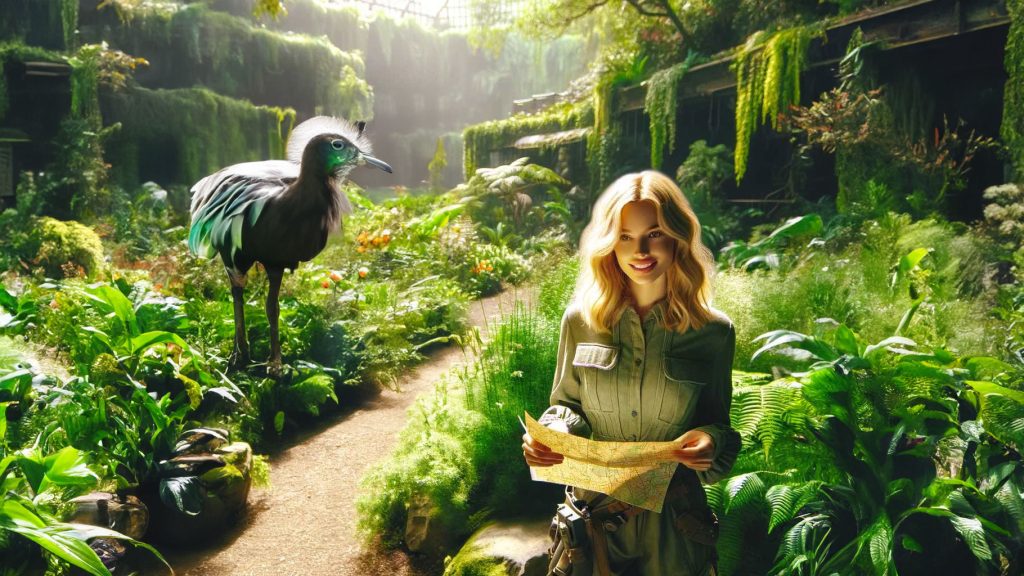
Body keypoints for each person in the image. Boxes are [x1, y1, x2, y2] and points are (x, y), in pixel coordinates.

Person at [522, 170, 740, 576]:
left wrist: (710, 440)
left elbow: (719, 422)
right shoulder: (579, 321)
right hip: (594, 516)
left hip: (677, 523)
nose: (640, 249)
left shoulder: (714, 332)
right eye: (625, 236)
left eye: (654, 233)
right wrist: (553, 437)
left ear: (677, 236)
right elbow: (566, 405)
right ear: (610, 243)